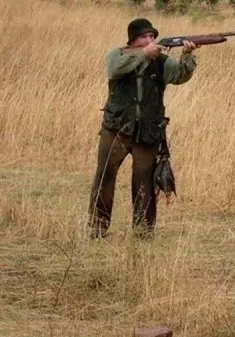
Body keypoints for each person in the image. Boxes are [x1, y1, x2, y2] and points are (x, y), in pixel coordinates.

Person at [88, 18, 199, 240]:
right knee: (105, 177)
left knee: (145, 181)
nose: (150, 40)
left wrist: (187, 56)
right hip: (117, 127)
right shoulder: (117, 55)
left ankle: (143, 230)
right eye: (144, 36)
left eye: (152, 36)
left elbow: (179, 76)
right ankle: (97, 227)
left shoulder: (161, 61)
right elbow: (114, 70)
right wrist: (143, 54)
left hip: (148, 130)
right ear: (133, 39)